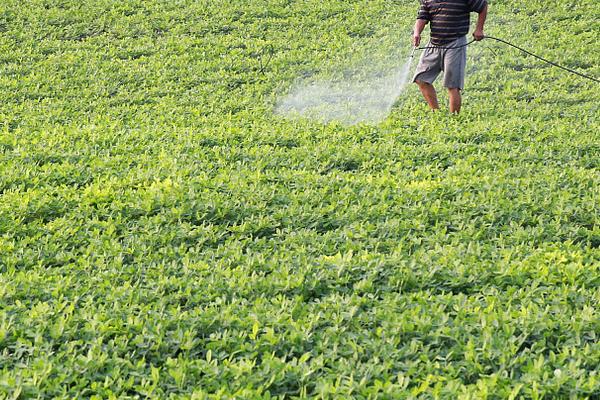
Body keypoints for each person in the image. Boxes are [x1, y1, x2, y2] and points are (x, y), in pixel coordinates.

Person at [412, 0, 488, 113]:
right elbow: (422, 17)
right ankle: (436, 113)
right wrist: (417, 32)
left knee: (452, 85)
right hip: (434, 43)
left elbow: (483, 6)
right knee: (421, 79)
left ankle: (454, 119)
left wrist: (479, 29)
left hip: (455, 43)